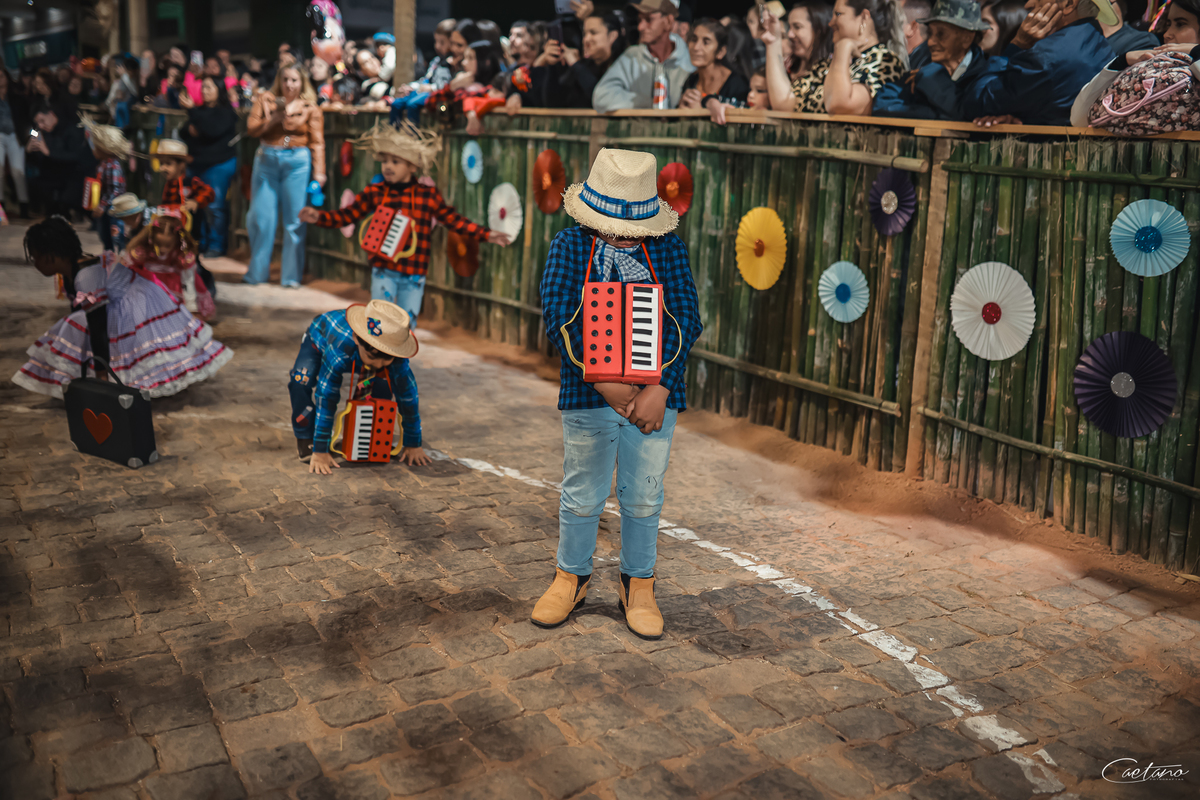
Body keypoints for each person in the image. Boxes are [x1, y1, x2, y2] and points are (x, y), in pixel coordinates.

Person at [534, 148, 703, 640]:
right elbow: (559, 315)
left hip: (654, 398)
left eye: (632, 228)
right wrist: (603, 381)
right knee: (582, 490)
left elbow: (686, 317)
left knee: (644, 493)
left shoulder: (669, 250)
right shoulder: (569, 246)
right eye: (613, 226)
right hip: (588, 393)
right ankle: (571, 577)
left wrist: (660, 386)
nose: (623, 235)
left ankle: (639, 584)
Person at [298, 121, 509, 323]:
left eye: (395, 162)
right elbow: (348, 215)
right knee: (378, 322)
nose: (388, 166)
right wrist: (319, 217)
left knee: (406, 326)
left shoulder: (427, 195)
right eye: (384, 161)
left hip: (414, 274)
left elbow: (452, 220)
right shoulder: (375, 192)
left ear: (412, 166)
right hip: (383, 270)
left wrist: (486, 234)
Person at [12, 217, 231, 399]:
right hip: (132, 298)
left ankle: (107, 380)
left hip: (138, 304)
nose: (35, 263)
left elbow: (98, 328)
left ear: (51, 256)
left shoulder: (85, 277)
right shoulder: (77, 269)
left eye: (36, 257)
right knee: (77, 325)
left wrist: (102, 376)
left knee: (80, 327)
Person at [291, 300, 427, 474]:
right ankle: (305, 436)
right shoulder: (340, 350)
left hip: (360, 351)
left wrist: (413, 442)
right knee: (300, 381)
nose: (379, 364)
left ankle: (367, 436)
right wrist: (320, 449)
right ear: (357, 338)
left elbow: (408, 396)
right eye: (373, 357)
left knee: (382, 386)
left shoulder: (396, 357)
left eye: (387, 359)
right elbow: (326, 396)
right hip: (319, 338)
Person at [964, 0, 1117, 126]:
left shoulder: (1045, 57)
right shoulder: (1102, 45)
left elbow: (975, 103)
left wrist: (1017, 44)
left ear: (1069, 4)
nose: (1028, 4)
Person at [245, 64, 325, 288]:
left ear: (302, 82)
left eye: (294, 80)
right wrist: (273, 119)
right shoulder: (265, 99)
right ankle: (257, 273)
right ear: (279, 80)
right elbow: (251, 129)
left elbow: (317, 142)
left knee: (294, 220)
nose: (289, 84)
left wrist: (319, 172)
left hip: (297, 161)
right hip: (267, 159)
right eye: (286, 79)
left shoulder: (310, 106)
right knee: (261, 218)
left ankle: (290, 277)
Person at [1070, 0, 1200, 125]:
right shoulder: (1162, 73)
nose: (1167, 34)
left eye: (1180, 24)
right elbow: (1079, 118)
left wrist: (1196, 51)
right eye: (1168, 24)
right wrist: (1120, 62)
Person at [769, 0, 908, 113]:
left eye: (838, 14)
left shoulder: (885, 62)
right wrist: (772, 42)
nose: (831, 22)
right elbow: (784, 104)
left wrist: (843, 48)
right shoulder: (825, 66)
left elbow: (839, 106)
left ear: (864, 17)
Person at [875, 0, 999, 117]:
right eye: (930, 33)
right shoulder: (924, 67)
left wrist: (932, 79)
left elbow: (966, 114)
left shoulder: (985, 78)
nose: (930, 42)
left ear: (966, 38)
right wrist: (936, 116)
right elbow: (882, 103)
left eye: (941, 34)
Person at [593, 0, 695, 110]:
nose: (640, 27)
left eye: (649, 20)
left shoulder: (690, 59)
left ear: (668, 22)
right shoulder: (632, 56)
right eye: (639, 20)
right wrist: (650, 103)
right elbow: (601, 97)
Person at [181, 76, 239, 257]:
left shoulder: (226, 112)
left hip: (219, 165)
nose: (204, 91)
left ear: (219, 90)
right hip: (197, 164)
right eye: (203, 87)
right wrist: (192, 126)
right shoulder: (199, 111)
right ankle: (201, 242)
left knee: (214, 206)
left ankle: (216, 245)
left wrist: (193, 113)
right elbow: (184, 131)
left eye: (209, 87)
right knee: (196, 206)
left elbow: (211, 130)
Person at [761, 2, 834, 114]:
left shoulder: (831, 71)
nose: (790, 34)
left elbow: (784, 106)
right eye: (790, 27)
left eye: (797, 27)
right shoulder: (786, 67)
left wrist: (773, 43)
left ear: (819, 30)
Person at [424, 40, 507, 135]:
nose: (464, 63)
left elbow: (465, 99)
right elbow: (430, 102)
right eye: (465, 58)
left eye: (470, 58)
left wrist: (456, 89)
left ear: (486, 62)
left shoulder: (496, 86)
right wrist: (452, 87)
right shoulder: (462, 85)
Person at [26, 106, 94, 220]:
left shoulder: (72, 128)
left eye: (42, 120)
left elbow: (75, 157)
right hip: (55, 176)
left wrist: (48, 152)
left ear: (51, 114)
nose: (41, 126)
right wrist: (29, 151)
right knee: (36, 184)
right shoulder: (43, 133)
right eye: (38, 123)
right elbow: (40, 162)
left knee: (67, 196)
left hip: (75, 175)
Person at [679, 19, 751, 123]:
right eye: (694, 40)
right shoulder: (691, 80)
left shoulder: (737, 85)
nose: (696, 47)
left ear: (721, 52)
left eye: (706, 42)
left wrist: (701, 112)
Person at [550, 11, 628, 107]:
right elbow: (554, 102)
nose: (586, 39)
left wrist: (576, 65)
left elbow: (602, 98)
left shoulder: (625, 67)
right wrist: (550, 65)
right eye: (584, 34)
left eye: (593, 33)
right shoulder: (584, 66)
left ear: (612, 36)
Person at [80, 114, 129, 251]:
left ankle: (116, 256)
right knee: (104, 235)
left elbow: (115, 190)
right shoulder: (104, 164)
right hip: (106, 207)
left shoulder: (113, 166)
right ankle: (108, 255)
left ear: (104, 149)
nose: (94, 150)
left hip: (113, 209)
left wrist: (102, 206)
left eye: (96, 147)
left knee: (114, 236)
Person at [0, 69, 30, 218]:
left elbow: (27, 119)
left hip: (15, 136)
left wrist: (29, 137)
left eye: (1, 76)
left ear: (7, 77)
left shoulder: (17, 97)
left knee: (18, 172)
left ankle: (24, 207)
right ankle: (1, 208)